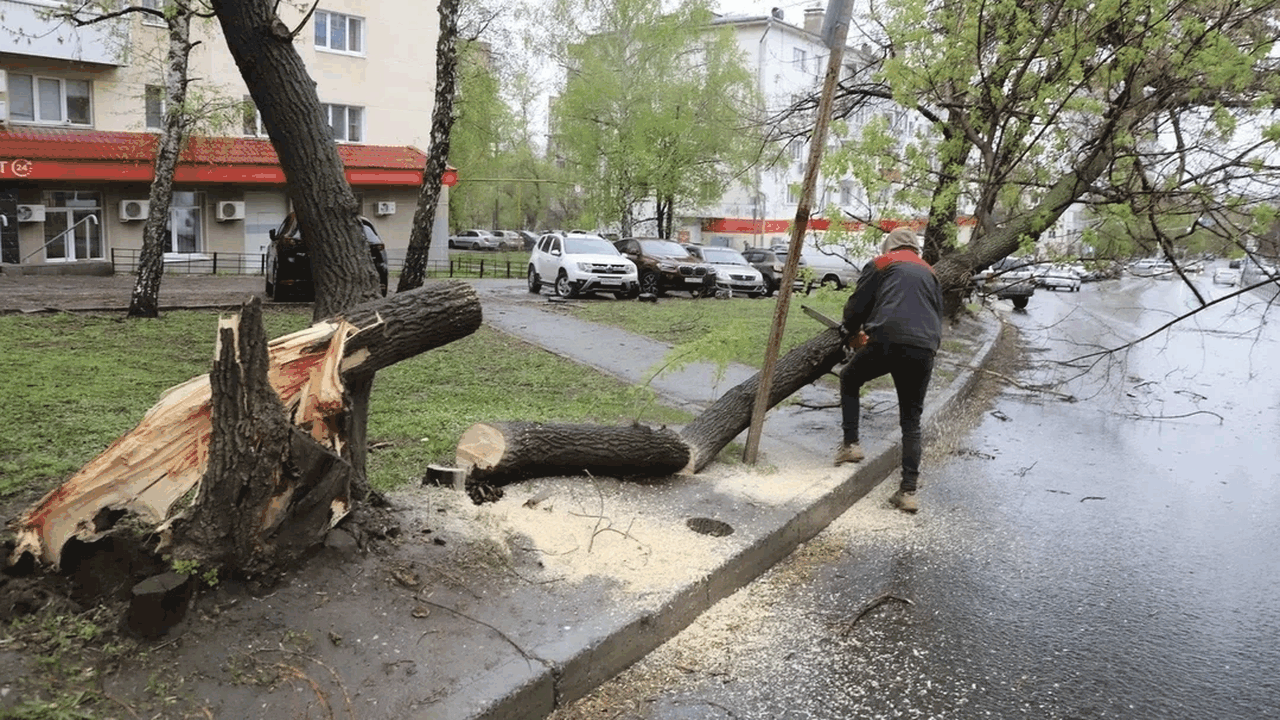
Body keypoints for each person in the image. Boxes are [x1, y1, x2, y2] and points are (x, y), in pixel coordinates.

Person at [834, 227, 943, 514]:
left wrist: (850, 330)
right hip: (924, 346)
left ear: (888, 247)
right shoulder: (929, 271)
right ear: (916, 249)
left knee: (849, 377)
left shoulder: (882, 263)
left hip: (888, 339)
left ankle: (851, 444)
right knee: (911, 420)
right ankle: (908, 491)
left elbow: (859, 303)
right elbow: (932, 310)